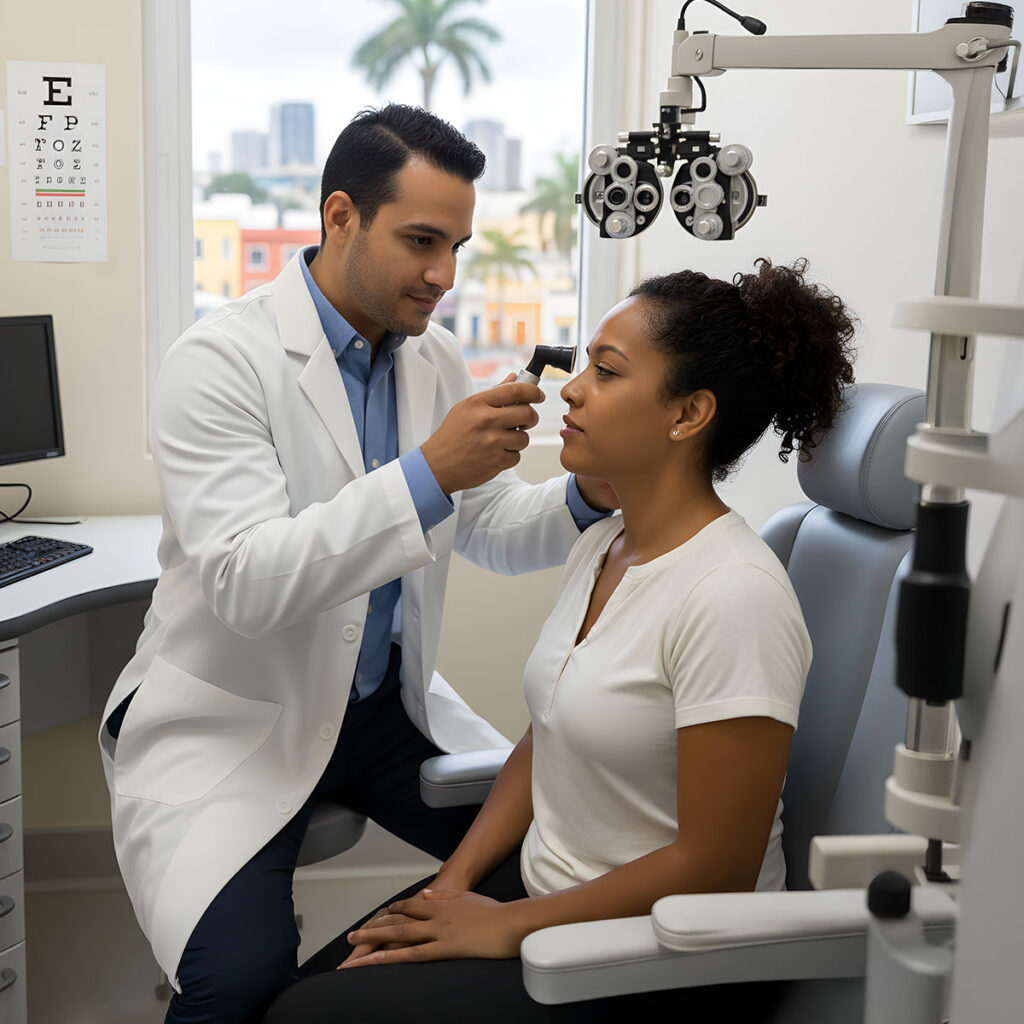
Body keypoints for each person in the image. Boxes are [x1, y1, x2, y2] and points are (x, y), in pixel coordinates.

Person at [98, 104, 616, 1024]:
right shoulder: (218, 361)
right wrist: (429, 473)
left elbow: (487, 526)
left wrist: (591, 495)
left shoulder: (433, 358)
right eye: (421, 241)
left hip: (381, 714)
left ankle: (351, 996)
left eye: (456, 246)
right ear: (341, 216)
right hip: (238, 717)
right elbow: (246, 583)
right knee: (236, 981)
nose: (444, 275)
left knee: (561, 859)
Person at [263, 256, 858, 1023]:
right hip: (552, 898)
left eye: (606, 372)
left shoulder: (733, 595)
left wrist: (505, 926)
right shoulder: (605, 543)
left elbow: (716, 868)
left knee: (303, 1018)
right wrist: (453, 885)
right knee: (298, 994)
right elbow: (545, 737)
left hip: (663, 957)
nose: (572, 390)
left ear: (688, 414)